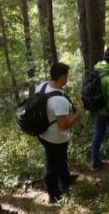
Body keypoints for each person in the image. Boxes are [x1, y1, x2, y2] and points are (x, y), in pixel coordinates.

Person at [35, 63, 83, 204]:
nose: (68, 78)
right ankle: (53, 195)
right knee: (52, 164)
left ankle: (66, 180)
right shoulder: (59, 101)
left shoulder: (42, 86)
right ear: (62, 77)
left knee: (60, 159)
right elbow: (64, 125)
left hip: (43, 132)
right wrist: (78, 113)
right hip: (55, 137)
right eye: (67, 75)